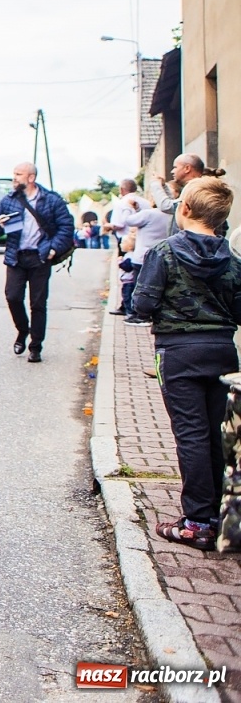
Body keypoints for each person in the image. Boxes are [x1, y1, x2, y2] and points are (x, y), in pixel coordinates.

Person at [129, 176, 241, 551]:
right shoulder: (231, 257)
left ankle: (196, 520)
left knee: (191, 434)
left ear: (185, 209)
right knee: (216, 434)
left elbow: (141, 305)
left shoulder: (165, 252)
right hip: (223, 351)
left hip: (178, 353)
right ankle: (219, 516)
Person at [0, 161, 75, 361]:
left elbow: (66, 227)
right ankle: (22, 330)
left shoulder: (51, 200)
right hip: (16, 257)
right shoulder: (8, 200)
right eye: (14, 173)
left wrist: (53, 249)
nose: (14, 178)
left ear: (31, 178)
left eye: (18, 174)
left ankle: (36, 346)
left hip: (40, 257)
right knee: (12, 296)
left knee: (38, 303)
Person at [108, 197, 173, 320]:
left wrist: (128, 207)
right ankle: (147, 313)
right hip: (159, 255)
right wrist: (138, 208)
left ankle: (140, 315)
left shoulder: (148, 214)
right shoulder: (169, 215)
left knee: (139, 287)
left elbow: (128, 220)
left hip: (142, 255)